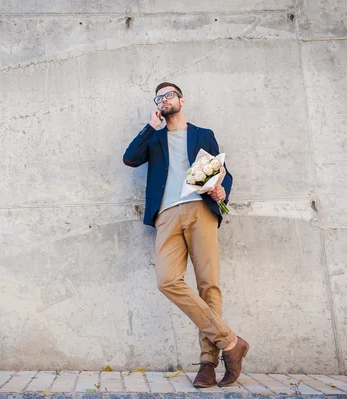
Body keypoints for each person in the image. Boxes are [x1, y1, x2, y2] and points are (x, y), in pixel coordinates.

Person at [122, 82, 249, 388]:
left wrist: (221, 190)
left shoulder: (202, 134)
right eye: (160, 97)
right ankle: (231, 343)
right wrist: (149, 127)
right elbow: (130, 159)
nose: (165, 99)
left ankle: (208, 363)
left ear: (181, 100)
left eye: (170, 94)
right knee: (167, 281)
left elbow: (223, 172)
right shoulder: (154, 137)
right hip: (166, 215)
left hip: (199, 209)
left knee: (208, 285)